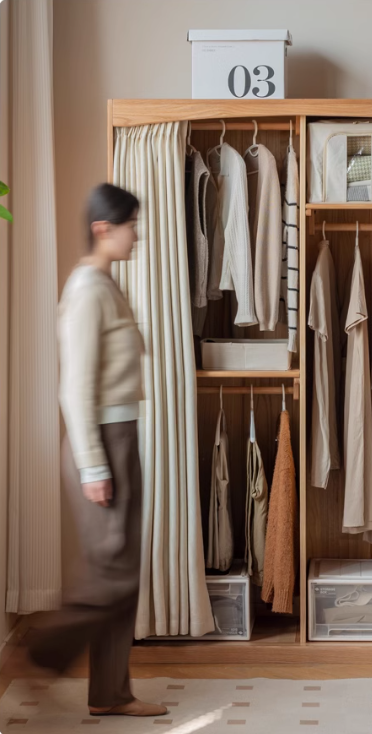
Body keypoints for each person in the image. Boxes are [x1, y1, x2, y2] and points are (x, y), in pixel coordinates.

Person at [28, 183, 167, 718]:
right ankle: (44, 650)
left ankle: (111, 693)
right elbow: (74, 388)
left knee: (123, 570)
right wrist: (92, 464)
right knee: (113, 570)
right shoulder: (88, 288)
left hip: (121, 435)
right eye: (131, 224)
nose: (137, 234)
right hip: (102, 443)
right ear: (103, 229)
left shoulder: (106, 284)